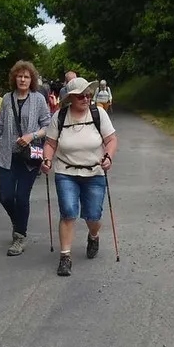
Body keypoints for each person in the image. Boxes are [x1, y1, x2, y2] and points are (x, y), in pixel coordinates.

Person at [41, 78, 119, 277]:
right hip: (66, 172)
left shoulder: (98, 113)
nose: (86, 98)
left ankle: (94, 235)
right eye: (81, 96)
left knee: (93, 216)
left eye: (88, 95)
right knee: (68, 212)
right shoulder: (60, 116)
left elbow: (111, 139)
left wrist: (108, 157)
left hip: (94, 172)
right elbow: (50, 143)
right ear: (70, 98)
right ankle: (65, 257)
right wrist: (47, 160)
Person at [0, 60, 51, 256]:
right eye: (20, 76)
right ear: (14, 78)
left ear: (32, 79)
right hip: (7, 156)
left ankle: (20, 236)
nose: (23, 79)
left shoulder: (38, 99)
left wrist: (32, 136)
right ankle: (19, 222)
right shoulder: (7, 98)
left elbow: (48, 125)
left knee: (21, 197)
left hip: (29, 158)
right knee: (5, 197)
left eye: (26, 76)